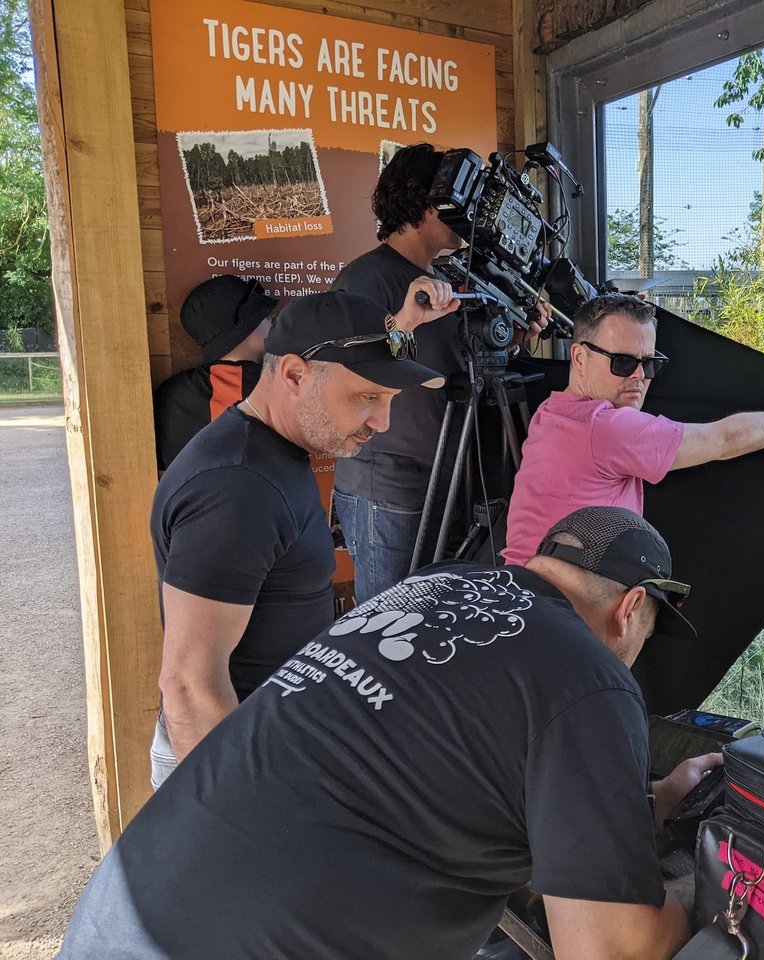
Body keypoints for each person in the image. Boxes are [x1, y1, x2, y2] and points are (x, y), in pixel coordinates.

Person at [61, 507, 719, 960]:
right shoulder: (590, 677)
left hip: (119, 917)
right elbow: (608, 948)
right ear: (632, 609)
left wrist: (657, 797)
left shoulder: (434, 586)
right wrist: (706, 906)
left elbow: (447, 778)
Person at [148, 286, 451, 789]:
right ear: (293, 374)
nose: (382, 421)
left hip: (274, 742)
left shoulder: (270, 451)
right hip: (235, 768)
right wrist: (246, 822)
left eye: (390, 399)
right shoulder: (238, 487)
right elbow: (189, 685)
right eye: (368, 398)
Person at [331, 142, 549, 602]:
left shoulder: (450, 277)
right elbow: (348, 378)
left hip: (448, 480)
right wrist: (404, 321)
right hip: (389, 485)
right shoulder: (367, 279)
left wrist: (514, 338)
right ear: (429, 203)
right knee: (385, 623)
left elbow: (452, 360)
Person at [502, 293, 764, 566]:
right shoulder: (606, 427)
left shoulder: (553, 411)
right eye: (623, 362)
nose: (639, 377)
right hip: (558, 605)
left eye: (649, 363)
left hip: (527, 587)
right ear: (579, 358)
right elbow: (723, 440)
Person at [152, 274, 278, 471]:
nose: (271, 322)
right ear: (248, 329)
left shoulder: (171, 393)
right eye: (265, 317)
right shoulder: (268, 386)